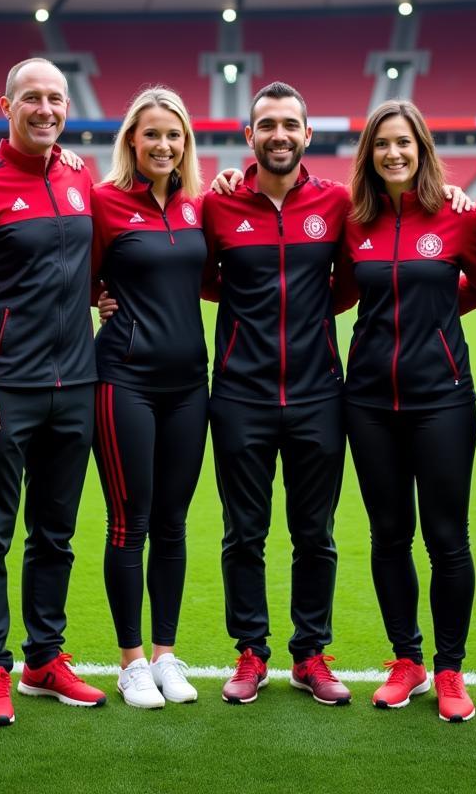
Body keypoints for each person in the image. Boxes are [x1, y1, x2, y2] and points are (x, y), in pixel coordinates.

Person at [0, 57, 105, 726]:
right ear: (5, 105)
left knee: (56, 534)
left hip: (77, 384)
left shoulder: (79, 179)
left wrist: (106, 297)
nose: (45, 108)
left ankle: (44, 657)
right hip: (4, 389)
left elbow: (87, 269)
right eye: (32, 97)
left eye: (56, 98)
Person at [336, 100, 476, 721]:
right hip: (369, 401)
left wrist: (434, 318)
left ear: (422, 149)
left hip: (443, 400)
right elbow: (340, 290)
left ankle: (451, 670)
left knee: (447, 539)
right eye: (382, 145)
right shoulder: (354, 220)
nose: (393, 153)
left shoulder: (457, 215)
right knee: (389, 534)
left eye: (404, 143)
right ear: (369, 156)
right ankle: (408, 661)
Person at [202, 80, 355, 706]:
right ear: (250, 136)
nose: (279, 135)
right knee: (245, 533)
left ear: (307, 134)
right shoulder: (219, 206)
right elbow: (195, 272)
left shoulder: (339, 203)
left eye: (290, 124)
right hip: (240, 394)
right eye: (267, 125)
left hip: (320, 392)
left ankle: (310, 653)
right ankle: (251, 652)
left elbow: (350, 281)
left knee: (314, 533)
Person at [90, 88, 209, 708]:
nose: (164, 145)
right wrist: (97, 299)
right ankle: (131, 661)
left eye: (175, 135)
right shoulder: (104, 203)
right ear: (131, 141)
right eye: (152, 134)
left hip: (191, 385)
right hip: (124, 381)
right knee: (128, 522)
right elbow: (72, 276)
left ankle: (166, 656)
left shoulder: (197, 209)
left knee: (172, 523)